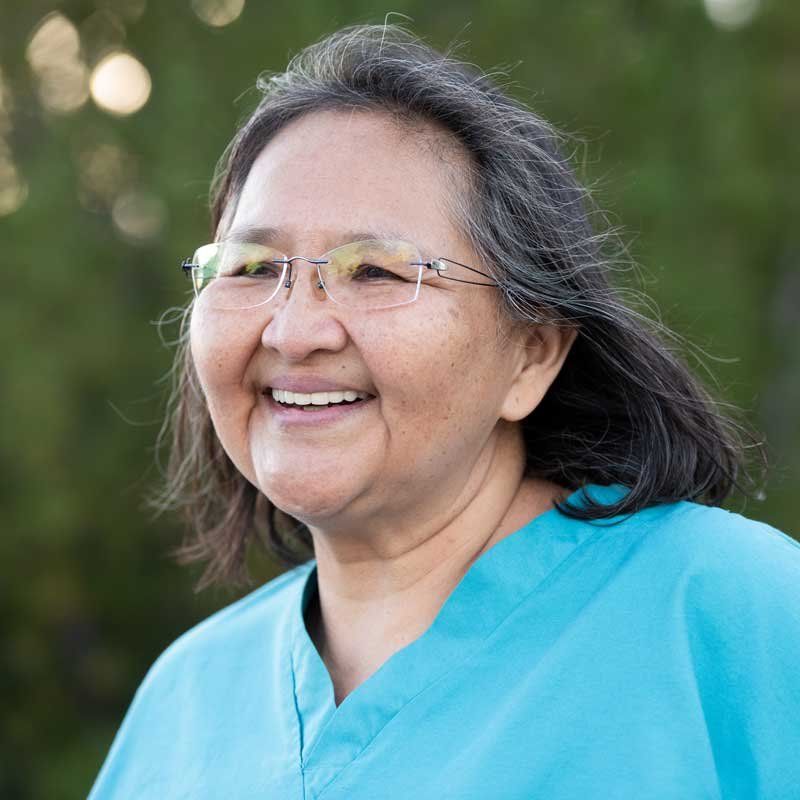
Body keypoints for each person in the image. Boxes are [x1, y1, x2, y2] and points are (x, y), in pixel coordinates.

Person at [88, 23, 800, 800]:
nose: (293, 331)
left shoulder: (733, 613)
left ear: (531, 354)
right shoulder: (186, 701)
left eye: (376, 272)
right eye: (254, 268)